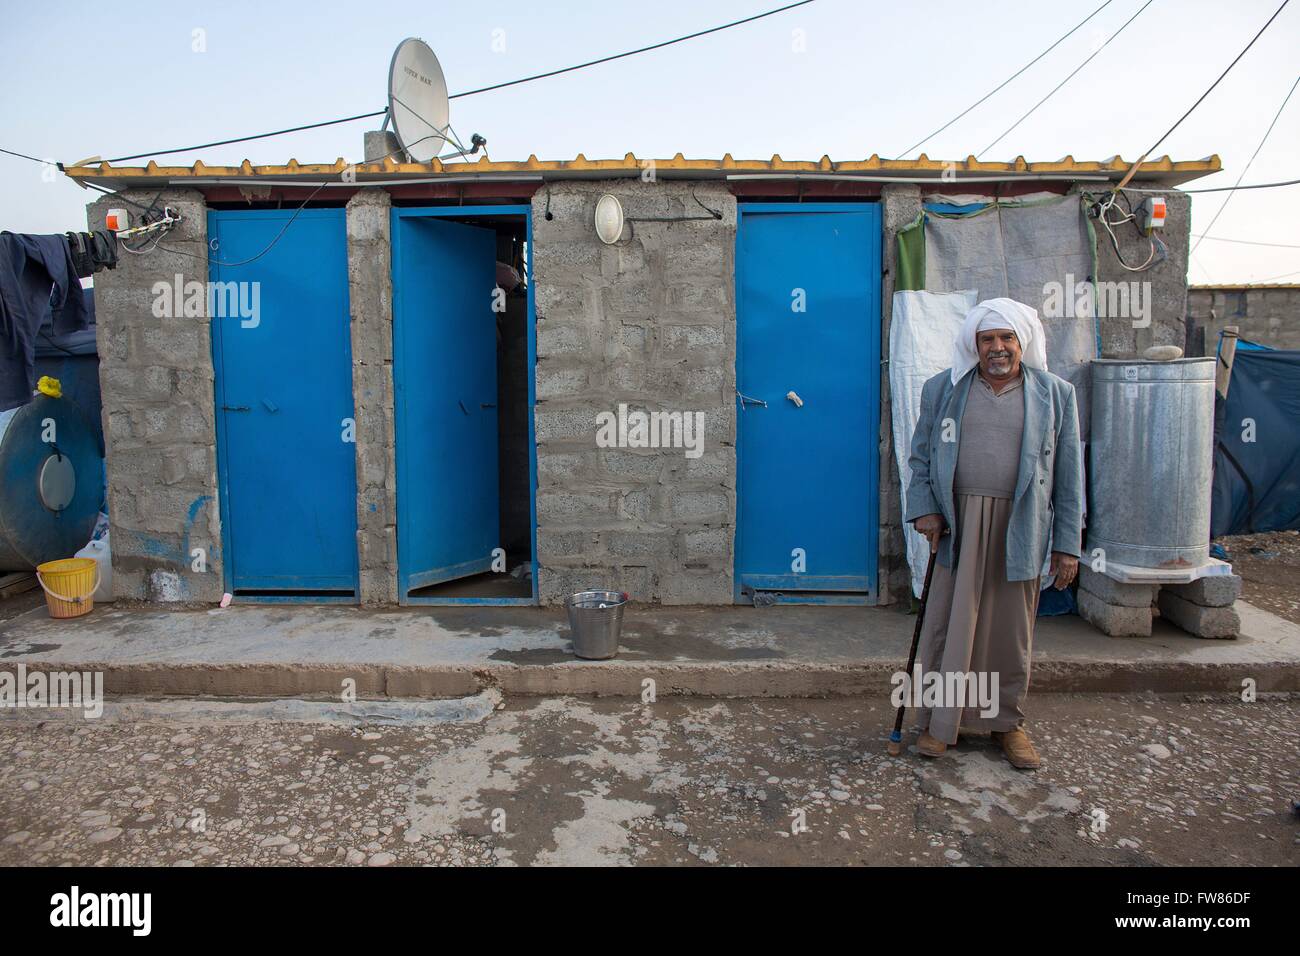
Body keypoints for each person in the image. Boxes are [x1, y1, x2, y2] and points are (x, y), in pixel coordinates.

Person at [905, 298, 1083, 769]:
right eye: (988, 339)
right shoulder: (943, 390)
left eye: (1007, 338)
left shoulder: (1056, 395)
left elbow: (1070, 476)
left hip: (1021, 526)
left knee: (1010, 632)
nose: (997, 348)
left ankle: (1007, 725)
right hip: (959, 525)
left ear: (1023, 344)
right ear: (974, 345)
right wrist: (925, 509)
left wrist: (1068, 544)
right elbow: (921, 457)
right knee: (949, 625)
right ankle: (939, 724)